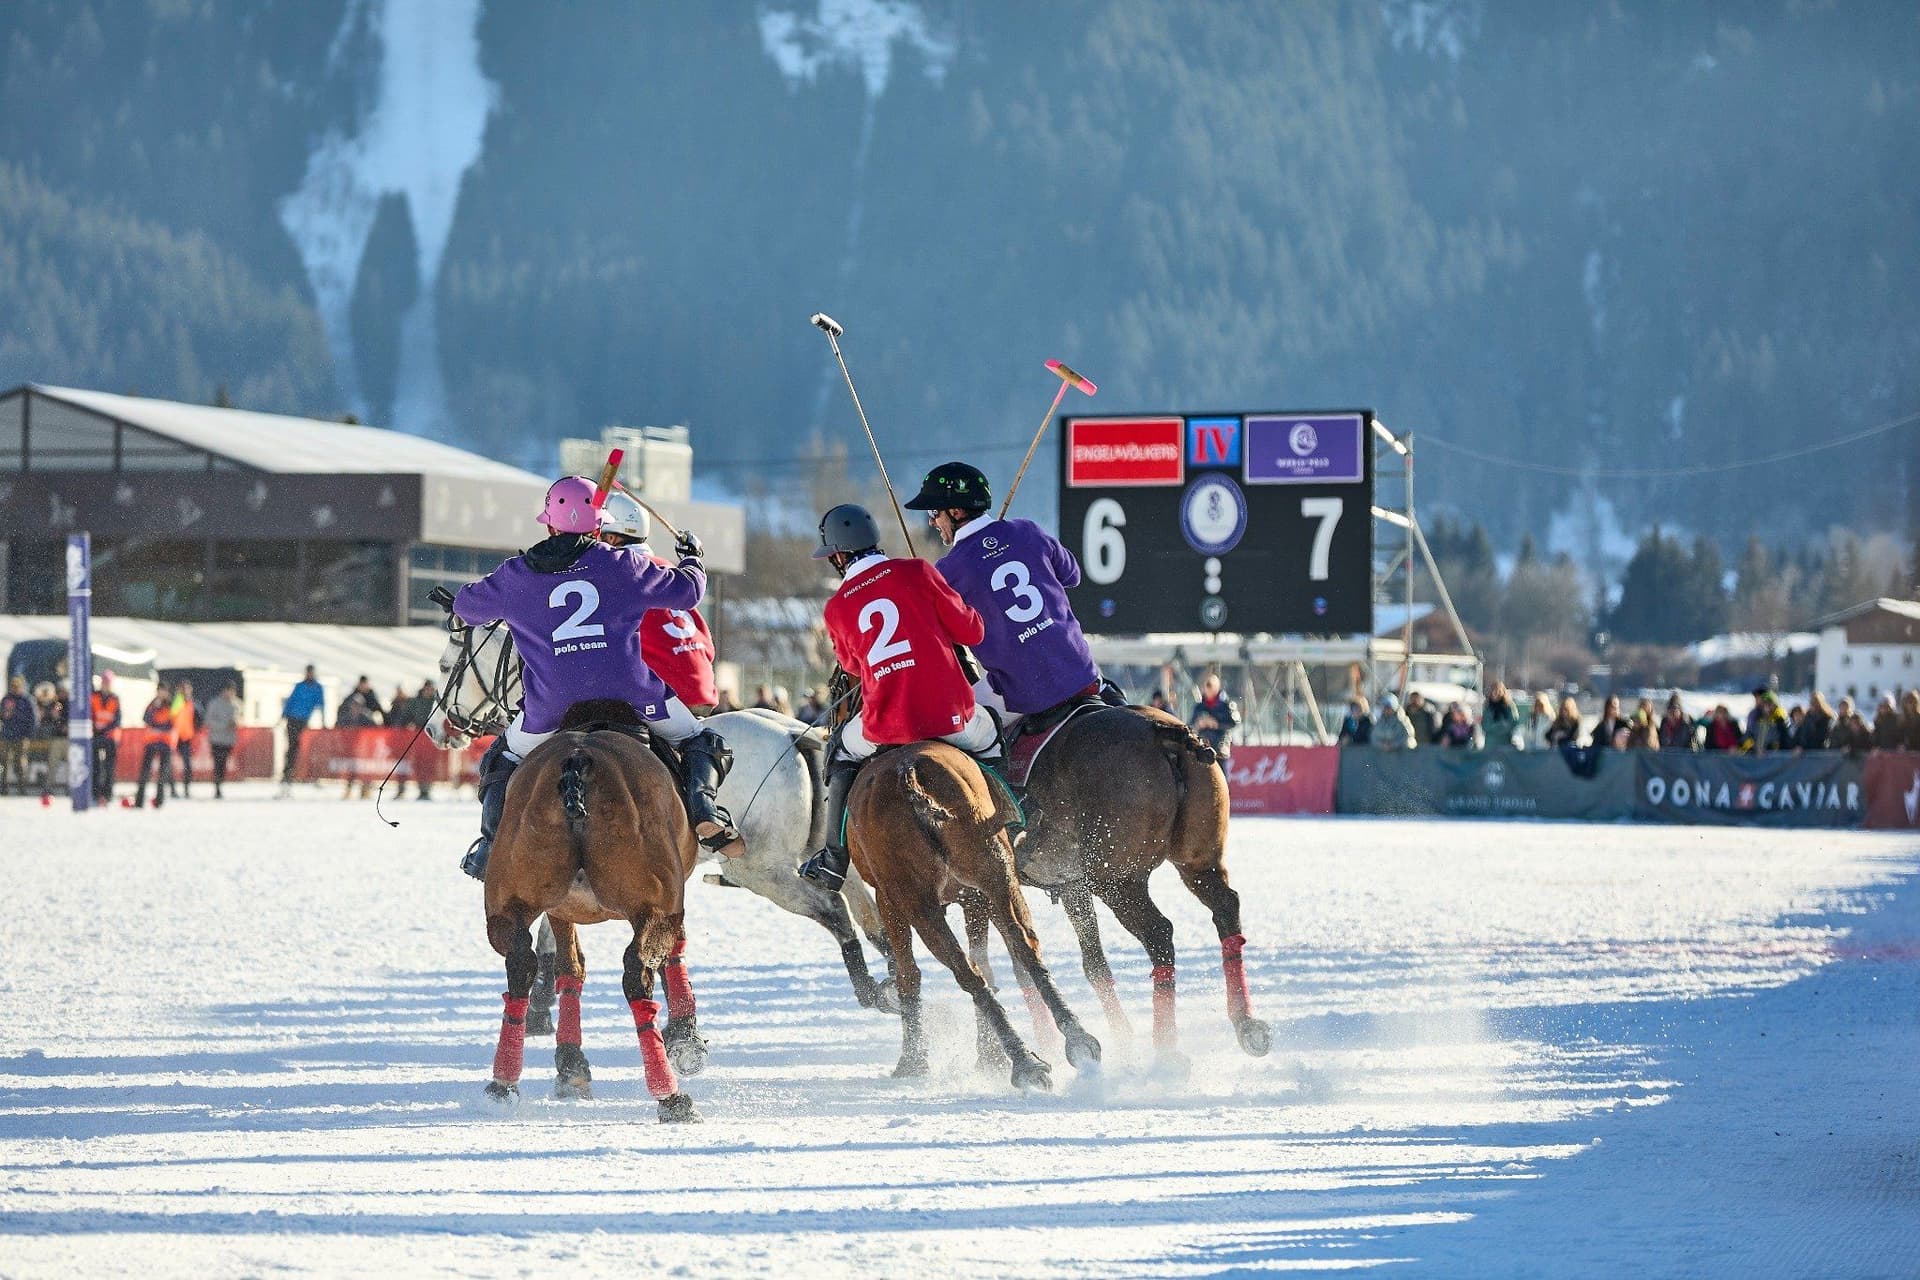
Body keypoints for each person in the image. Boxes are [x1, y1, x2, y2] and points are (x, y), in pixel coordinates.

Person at [452, 475, 739, 880]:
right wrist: (692, 558)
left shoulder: (516, 574)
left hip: (550, 707)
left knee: (501, 759)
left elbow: (466, 608)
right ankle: (706, 812)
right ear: (598, 527)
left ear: (549, 525)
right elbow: (688, 592)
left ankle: (490, 845)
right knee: (700, 740)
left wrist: (489, 590)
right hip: (632, 694)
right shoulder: (624, 563)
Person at [800, 502, 998, 891]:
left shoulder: (837, 606)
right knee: (992, 737)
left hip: (887, 726)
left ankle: (834, 859)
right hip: (951, 717)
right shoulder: (919, 570)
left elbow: (854, 668)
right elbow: (972, 632)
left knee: (839, 749)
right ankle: (1012, 818)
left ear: (838, 555)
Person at [901, 460, 1123, 727]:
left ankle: (995, 768)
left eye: (935, 512)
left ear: (956, 511)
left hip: (1022, 692)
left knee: (952, 728)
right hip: (1080, 672)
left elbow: (940, 637)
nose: (933, 521)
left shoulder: (947, 571)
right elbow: (1072, 575)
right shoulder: (1027, 530)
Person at [597, 491, 721, 713]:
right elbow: (708, 646)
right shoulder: (668, 569)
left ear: (613, 538)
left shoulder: (621, 574)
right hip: (703, 690)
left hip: (668, 696)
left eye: (598, 537)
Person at [280, 665, 325, 792]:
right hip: (292, 719)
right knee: (292, 747)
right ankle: (288, 774)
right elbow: (290, 701)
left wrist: (323, 720)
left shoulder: (317, 688)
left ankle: (297, 773)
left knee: (301, 748)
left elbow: (321, 704)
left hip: (304, 720)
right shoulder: (300, 686)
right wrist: (283, 715)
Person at [133, 685, 177, 809]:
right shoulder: (152, 704)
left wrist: (158, 727)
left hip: (165, 743)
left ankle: (159, 800)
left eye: (164, 691)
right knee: (144, 773)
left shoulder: (172, 705)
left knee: (163, 773)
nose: (162, 693)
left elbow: (172, 723)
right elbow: (146, 719)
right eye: (160, 691)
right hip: (151, 742)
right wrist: (154, 708)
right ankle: (139, 801)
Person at [1190, 674, 1240, 767]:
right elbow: (1190, 725)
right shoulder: (1199, 707)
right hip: (1202, 750)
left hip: (1220, 750)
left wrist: (1216, 724)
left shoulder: (1227, 705)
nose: (1207, 689)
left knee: (1221, 778)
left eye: (1210, 685)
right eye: (1206, 685)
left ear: (1217, 687)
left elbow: (1234, 722)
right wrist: (1199, 724)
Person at [31, 682, 68, 800]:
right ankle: (48, 786)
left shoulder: (72, 704)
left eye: (64, 691)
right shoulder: (55, 704)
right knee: (52, 763)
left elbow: (64, 719)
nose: (62, 693)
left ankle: (71, 786)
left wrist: (62, 722)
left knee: (73, 763)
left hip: (69, 739)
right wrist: (56, 719)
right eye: (60, 691)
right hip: (56, 738)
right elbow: (48, 719)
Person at [90, 672, 122, 804]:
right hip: (96, 736)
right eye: (104, 682)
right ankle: (95, 793)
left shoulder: (115, 698)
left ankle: (107, 794)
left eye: (108, 683)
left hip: (109, 737)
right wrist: (96, 728)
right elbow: (90, 714)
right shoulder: (94, 696)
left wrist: (105, 729)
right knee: (96, 766)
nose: (105, 685)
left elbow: (117, 719)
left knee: (109, 767)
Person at [205, 683, 241, 798]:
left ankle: (220, 784)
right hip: (216, 739)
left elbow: (240, 718)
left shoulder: (236, 704)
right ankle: (217, 787)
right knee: (217, 763)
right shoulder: (215, 703)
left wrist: (235, 723)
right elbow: (209, 721)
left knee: (223, 764)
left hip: (228, 740)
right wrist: (224, 725)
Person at [1, 675, 34, 795]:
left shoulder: (27, 700)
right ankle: (3, 785)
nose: (15, 689)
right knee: (2, 763)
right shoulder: (6, 699)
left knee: (20, 762)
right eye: (13, 686)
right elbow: (1, 715)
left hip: (21, 736)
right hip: (6, 736)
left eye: (17, 686)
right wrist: (5, 715)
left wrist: (28, 734)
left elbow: (33, 719)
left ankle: (22, 786)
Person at [171, 680, 202, 798]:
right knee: (170, 765)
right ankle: (173, 790)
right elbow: (172, 713)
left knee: (187, 765)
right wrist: (179, 697)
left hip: (186, 737)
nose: (185, 691)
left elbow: (200, 716)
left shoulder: (193, 703)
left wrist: (195, 729)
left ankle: (186, 789)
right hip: (174, 737)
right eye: (183, 689)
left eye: (187, 689)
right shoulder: (177, 701)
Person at [1744, 687, 1789, 754]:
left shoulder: (1779, 720)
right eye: (1765, 705)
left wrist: (1768, 749)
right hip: (1756, 756)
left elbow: (1781, 739)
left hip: (1773, 757)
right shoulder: (1757, 718)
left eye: (1769, 705)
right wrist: (1753, 747)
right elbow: (1749, 735)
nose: (1767, 708)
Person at [1481, 681, 1521, 749]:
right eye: (1493, 690)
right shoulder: (1487, 707)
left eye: (1498, 690)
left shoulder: (1509, 706)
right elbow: (1485, 726)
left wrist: (1502, 727)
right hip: (1491, 744)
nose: (1496, 693)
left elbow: (1514, 722)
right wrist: (1498, 726)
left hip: (1506, 743)